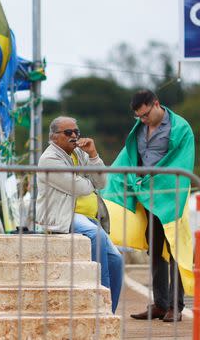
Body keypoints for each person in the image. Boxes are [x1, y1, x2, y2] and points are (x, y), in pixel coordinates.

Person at [104, 90, 195, 323]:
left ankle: (176, 305)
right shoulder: (140, 129)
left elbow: (180, 161)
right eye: (139, 117)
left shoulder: (179, 128)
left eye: (145, 115)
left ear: (156, 104)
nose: (142, 120)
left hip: (169, 197)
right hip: (146, 198)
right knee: (155, 251)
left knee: (174, 248)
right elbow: (128, 158)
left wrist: (153, 181)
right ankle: (160, 303)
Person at [35, 116, 123, 313]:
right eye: (68, 133)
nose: (74, 136)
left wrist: (92, 155)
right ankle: (99, 306)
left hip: (88, 218)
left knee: (117, 260)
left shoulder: (80, 154)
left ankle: (109, 311)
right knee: (96, 236)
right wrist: (87, 180)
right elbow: (81, 188)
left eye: (77, 132)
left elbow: (101, 183)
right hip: (63, 217)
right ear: (54, 137)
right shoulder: (49, 159)